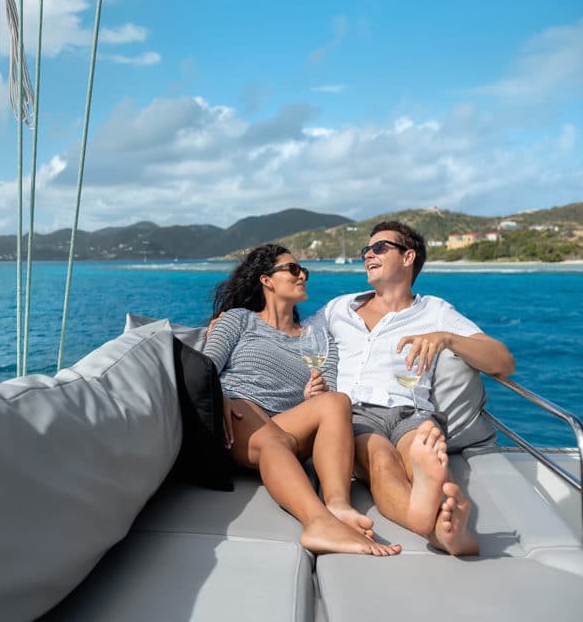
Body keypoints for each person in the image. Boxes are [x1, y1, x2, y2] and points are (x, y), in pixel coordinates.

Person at [321, 221, 515, 556]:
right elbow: (291, 332)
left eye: (379, 248)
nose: (368, 254)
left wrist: (447, 338)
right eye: (365, 250)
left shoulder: (435, 311)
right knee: (381, 460)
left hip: (413, 410)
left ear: (408, 256)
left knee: (425, 450)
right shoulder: (340, 308)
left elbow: (502, 361)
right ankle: (442, 530)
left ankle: (438, 505)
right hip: (356, 413)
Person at [204, 243, 401, 556]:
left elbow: (331, 400)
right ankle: (317, 521)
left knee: (336, 401)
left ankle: (337, 505)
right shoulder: (239, 320)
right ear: (266, 280)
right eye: (293, 269)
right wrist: (218, 394)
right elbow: (205, 366)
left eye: (304, 270)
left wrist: (313, 397)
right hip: (238, 413)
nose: (302, 276)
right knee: (272, 437)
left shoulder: (319, 338)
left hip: (287, 427)